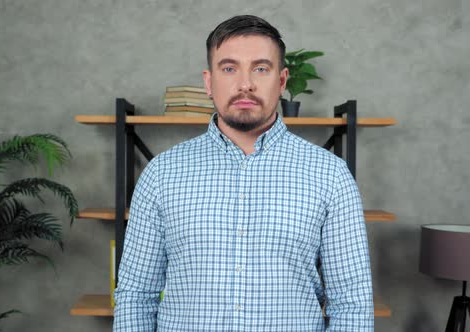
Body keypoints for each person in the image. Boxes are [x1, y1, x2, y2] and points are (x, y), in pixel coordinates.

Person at [114, 14, 373, 331]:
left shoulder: (330, 175)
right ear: (209, 82)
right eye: (229, 68)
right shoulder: (161, 174)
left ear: (281, 81)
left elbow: (352, 305)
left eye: (261, 68)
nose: (245, 83)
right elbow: (136, 297)